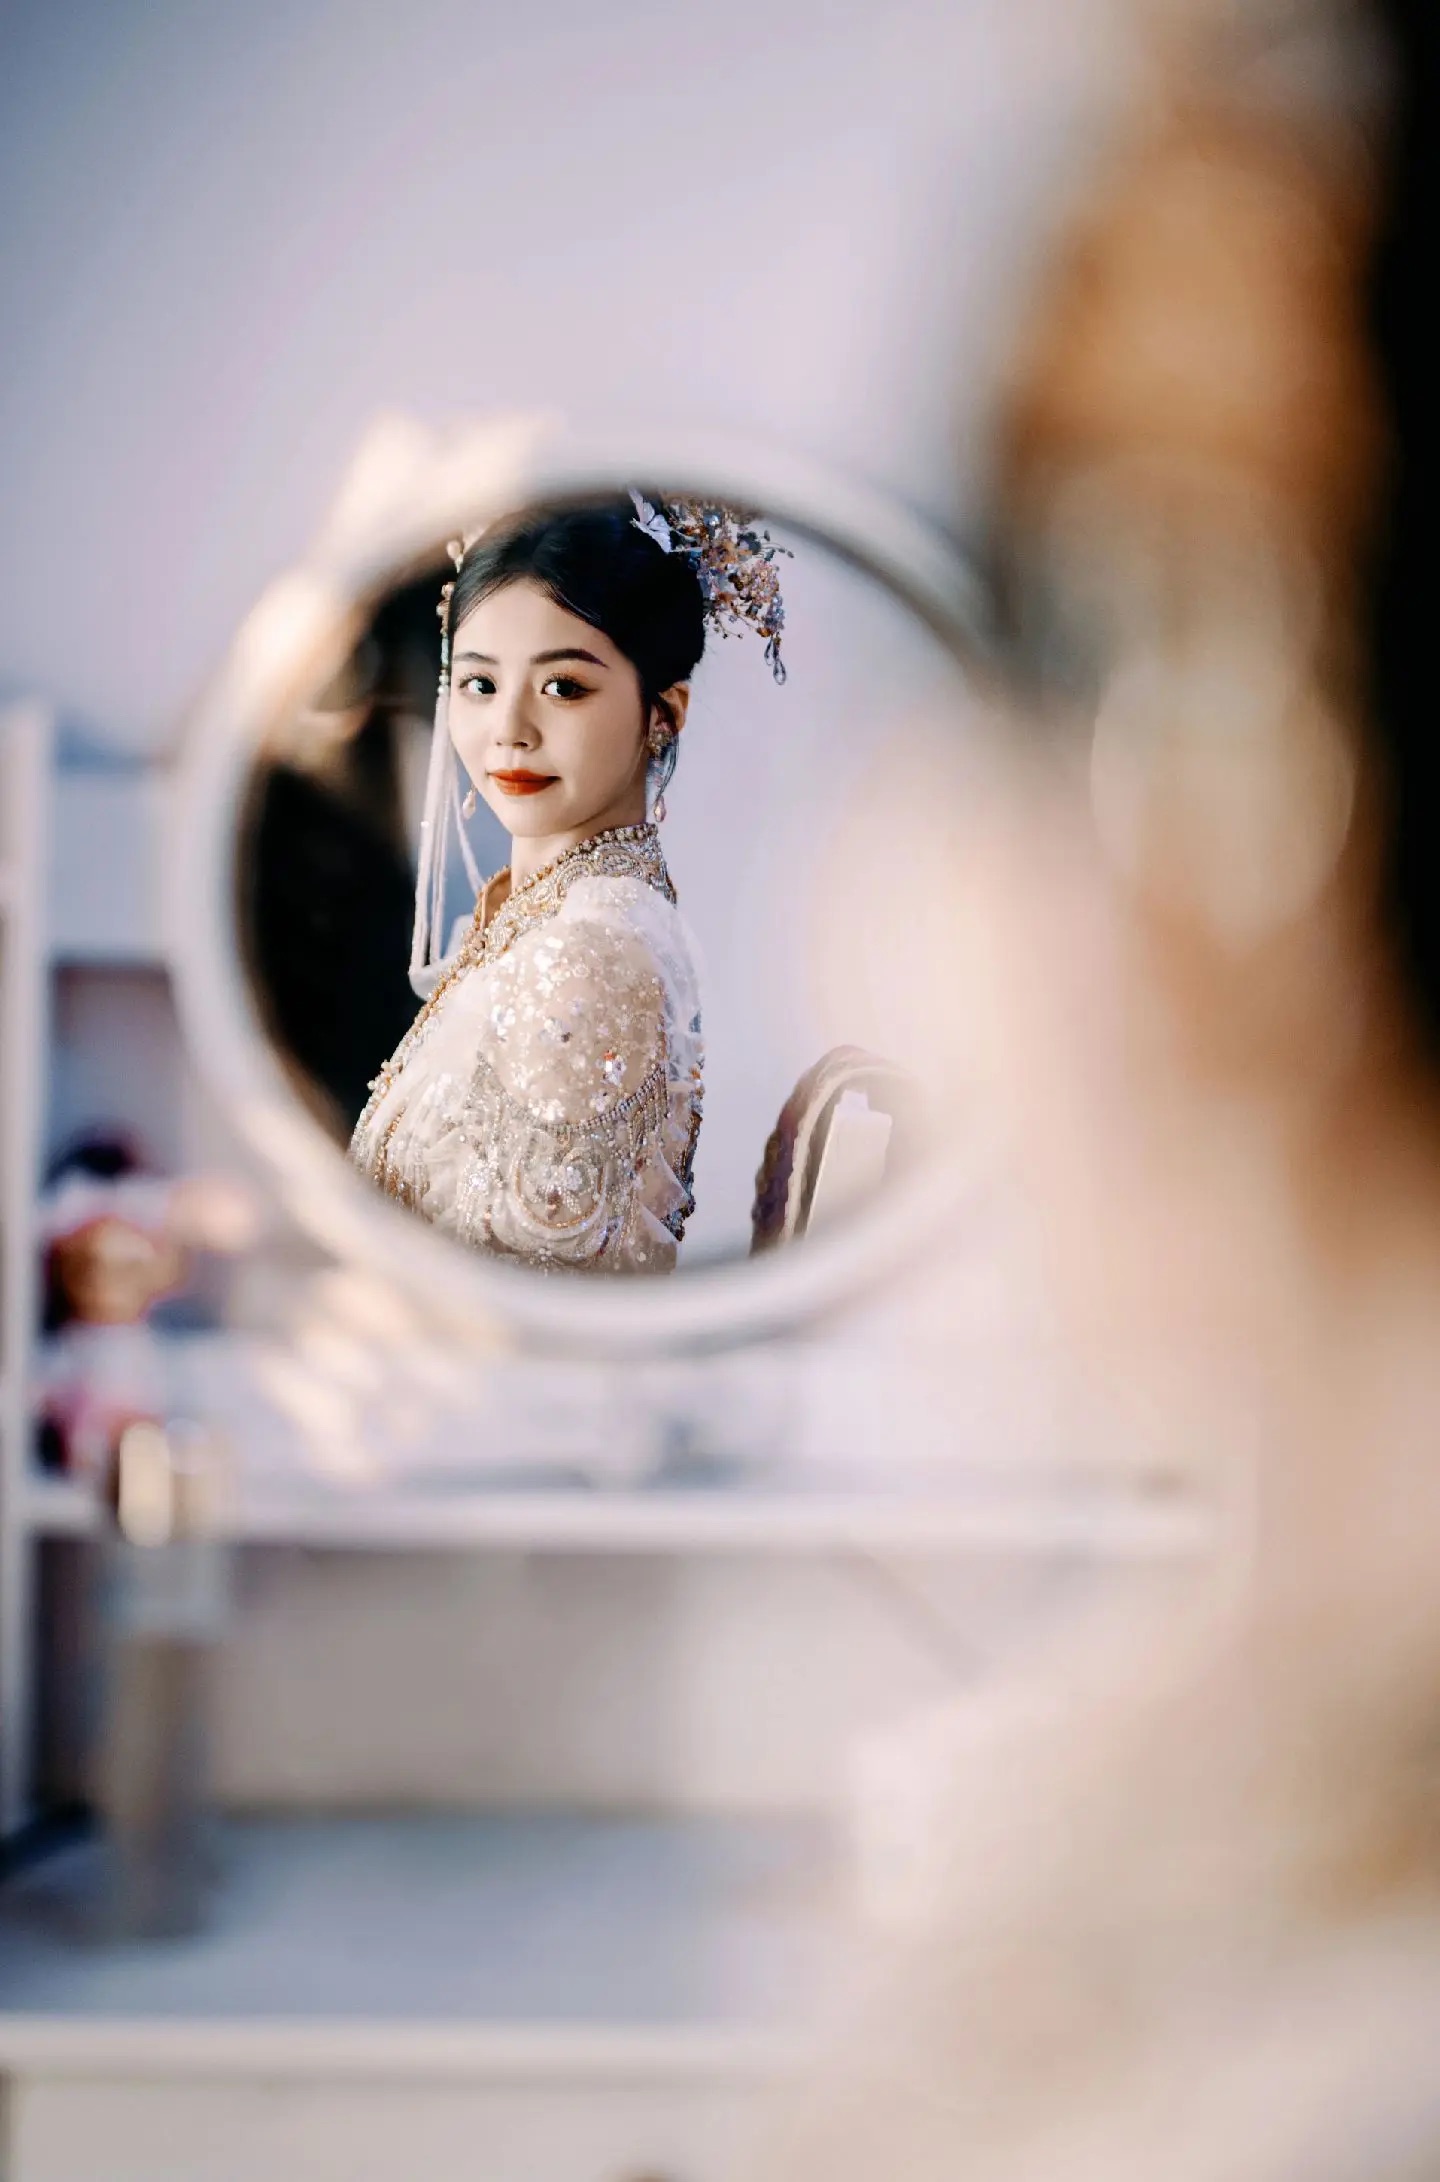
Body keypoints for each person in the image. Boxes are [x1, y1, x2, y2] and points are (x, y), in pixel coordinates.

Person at [349, 493, 787, 1272]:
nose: (510, 730)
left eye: (564, 687)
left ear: (664, 713)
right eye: (480, 685)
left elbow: (529, 1289)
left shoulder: (588, 954)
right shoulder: (552, 916)